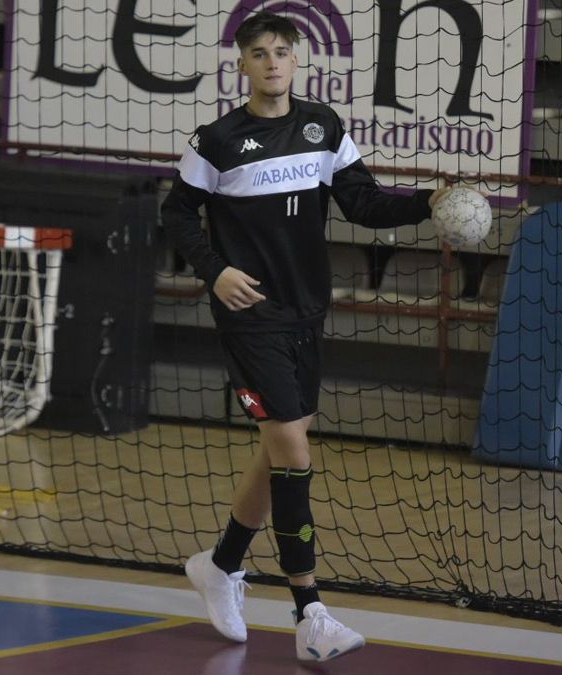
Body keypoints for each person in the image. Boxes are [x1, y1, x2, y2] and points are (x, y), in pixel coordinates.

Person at [160, 11, 452, 664]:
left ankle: (221, 563)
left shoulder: (323, 127)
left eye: (282, 52)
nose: (272, 62)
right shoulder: (218, 141)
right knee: (294, 453)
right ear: (241, 63)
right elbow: (175, 213)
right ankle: (310, 612)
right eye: (259, 52)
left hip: (306, 313)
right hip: (251, 316)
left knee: (279, 448)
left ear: (298, 61)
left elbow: (365, 203)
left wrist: (430, 201)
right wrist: (216, 272)